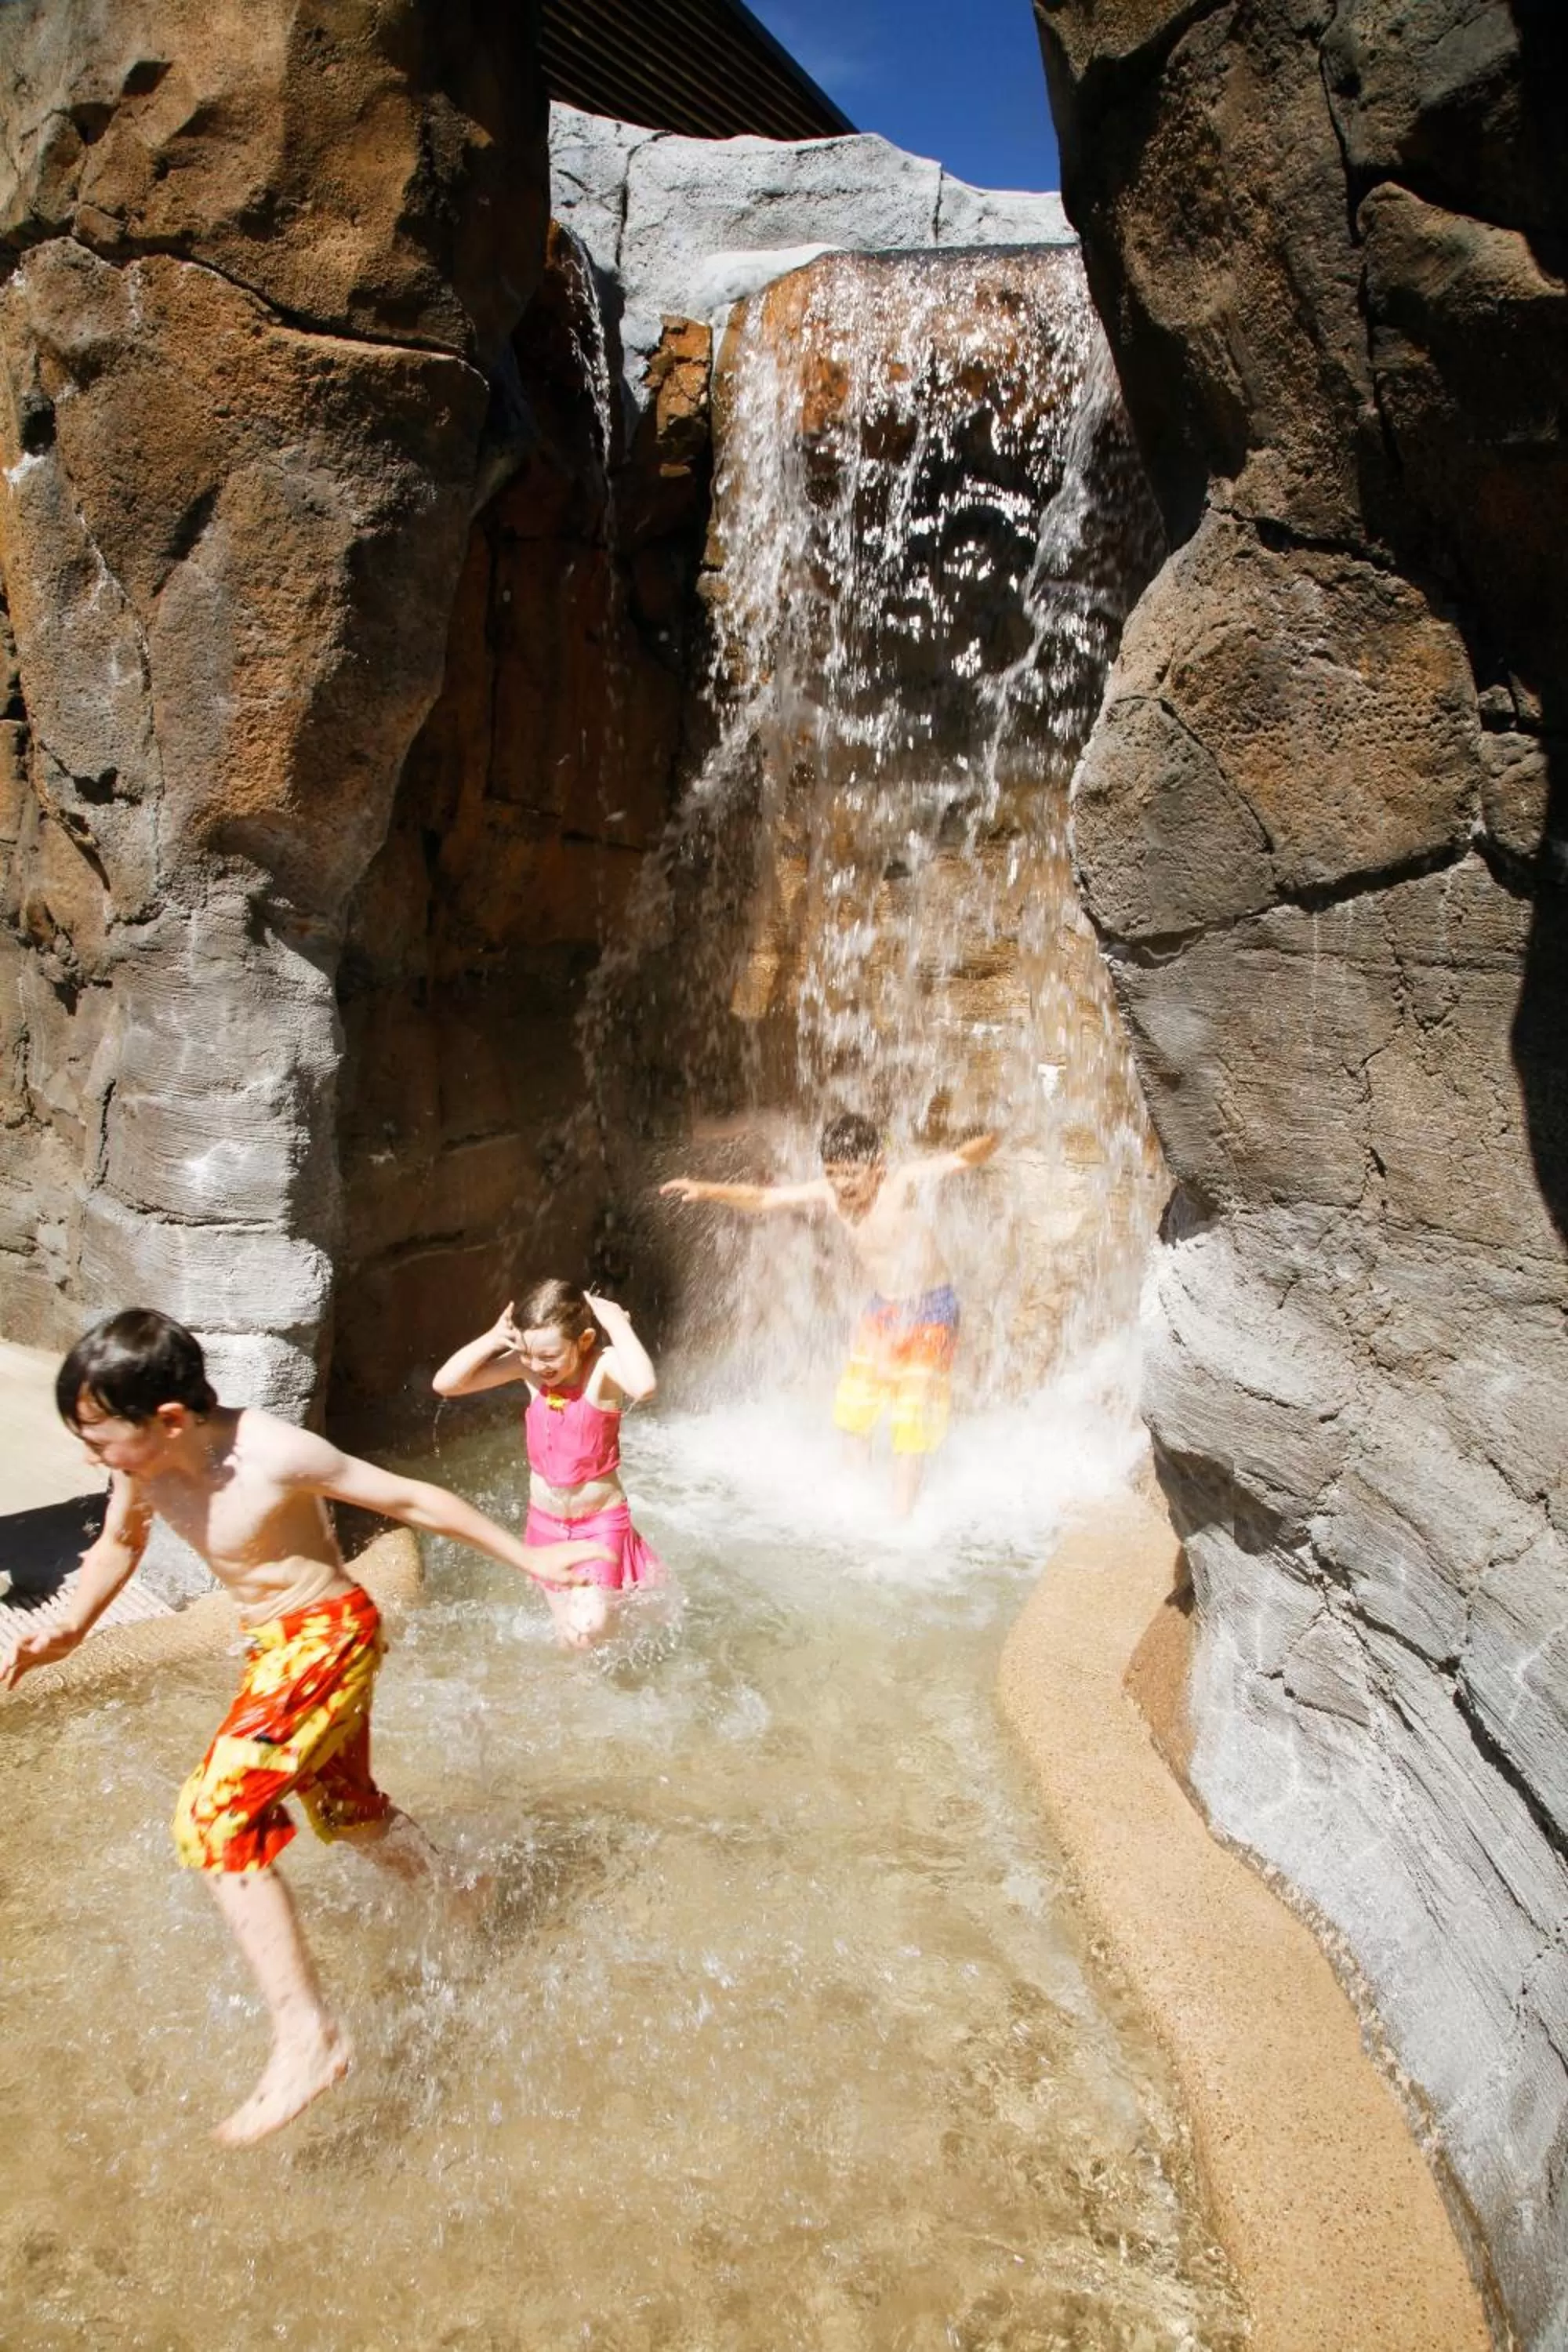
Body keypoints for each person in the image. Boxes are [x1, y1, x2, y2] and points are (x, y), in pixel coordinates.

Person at [0, 1307, 611, 2147]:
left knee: (215, 1818)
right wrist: (66, 1627)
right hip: (275, 1647)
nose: (92, 1456)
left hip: (328, 1635)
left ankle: (307, 2035)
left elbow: (409, 1498)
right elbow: (117, 1545)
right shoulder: (142, 1465)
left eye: (102, 1439)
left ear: (169, 1420)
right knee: (348, 1812)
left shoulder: (273, 1456)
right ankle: (462, 1894)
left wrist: (533, 1558)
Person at [661, 1112, 998, 1516]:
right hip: (883, 1311)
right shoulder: (828, 1193)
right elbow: (766, 1199)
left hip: (931, 1312)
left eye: (852, 1173)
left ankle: (900, 1519)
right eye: (832, 1172)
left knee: (911, 1420)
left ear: (878, 1168)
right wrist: (707, 1190)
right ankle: (852, 1506)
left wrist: (994, 1137)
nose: (841, 1183)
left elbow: (960, 1160)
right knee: (854, 1411)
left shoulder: (902, 1184)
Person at [432, 1282, 665, 1650]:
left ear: (584, 1341)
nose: (538, 1366)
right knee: (568, 1639)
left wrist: (617, 1324)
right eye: (528, 1354)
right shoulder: (530, 1370)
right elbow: (446, 1384)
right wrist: (494, 1339)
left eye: (549, 1356)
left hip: (598, 1526)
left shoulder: (602, 1369)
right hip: (544, 1526)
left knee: (588, 1631)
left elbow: (645, 1386)